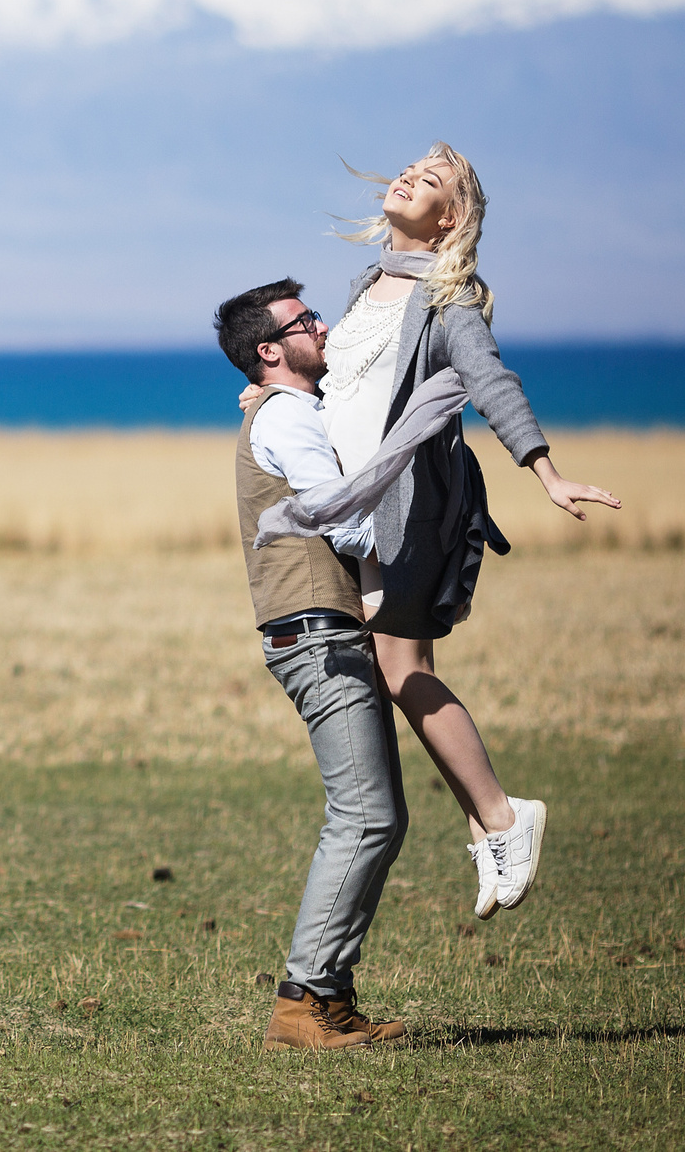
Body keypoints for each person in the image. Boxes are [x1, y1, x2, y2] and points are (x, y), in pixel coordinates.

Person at [253, 144, 621, 919]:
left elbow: (491, 380)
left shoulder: (450, 296)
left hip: (408, 508)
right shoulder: (366, 285)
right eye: (410, 167)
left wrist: (545, 469)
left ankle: (502, 814)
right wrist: (274, 398)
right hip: (360, 508)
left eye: (431, 180)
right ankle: (489, 822)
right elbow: (345, 387)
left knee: (400, 664)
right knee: (395, 668)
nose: (408, 177)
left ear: (448, 217)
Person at [217, 278, 408, 1052]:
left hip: (320, 628)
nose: (323, 325)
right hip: (316, 632)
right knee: (364, 815)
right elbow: (339, 513)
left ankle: (329, 996)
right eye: (307, 320)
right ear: (270, 350)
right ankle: (299, 1004)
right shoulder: (290, 413)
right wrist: (406, 541)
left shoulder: (287, 408)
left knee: (379, 816)